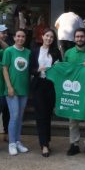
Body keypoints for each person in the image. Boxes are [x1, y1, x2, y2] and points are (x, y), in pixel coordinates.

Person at [63, 28, 85, 157]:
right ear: (74, 38)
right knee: (73, 119)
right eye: (77, 37)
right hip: (72, 91)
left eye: (82, 36)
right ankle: (74, 144)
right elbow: (64, 71)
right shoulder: (68, 53)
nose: (79, 39)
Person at [29, 28, 62, 157]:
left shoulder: (56, 52)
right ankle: (44, 145)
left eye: (51, 37)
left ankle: (46, 141)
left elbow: (60, 68)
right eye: (47, 36)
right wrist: (38, 69)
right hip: (39, 85)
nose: (49, 38)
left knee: (47, 115)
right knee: (40, 115)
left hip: (51, 85)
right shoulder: (35, 51)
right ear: (42, 36)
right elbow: (30, 69)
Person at [1, 28, 31, 155]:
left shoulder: (28, 52)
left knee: (20, 117)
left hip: (24, 89)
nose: (20, 38)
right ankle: (12, 143)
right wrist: (9, 87)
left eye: (23, 36)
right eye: (18, 36)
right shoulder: (9, 51)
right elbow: (5, 69)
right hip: (12, 89)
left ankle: (18, 141)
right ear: (14, 38)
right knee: (14, 115)